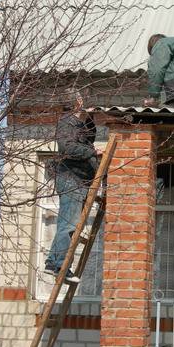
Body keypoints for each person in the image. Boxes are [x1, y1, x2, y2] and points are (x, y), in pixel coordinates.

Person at [44, 91, 102, 283]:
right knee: (68, 224)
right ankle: (58, 264)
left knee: (71, 224)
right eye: (81, 99)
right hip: (71, 179)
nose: (83, 101)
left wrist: (89, 117)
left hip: (80, 179)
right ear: (76, 102)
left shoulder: (79, 123)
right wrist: (92, 151)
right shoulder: (67, 122)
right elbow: (67, 148)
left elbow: (89, 137)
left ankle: (56, 263)